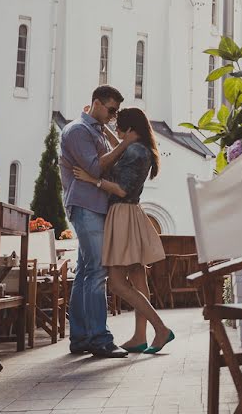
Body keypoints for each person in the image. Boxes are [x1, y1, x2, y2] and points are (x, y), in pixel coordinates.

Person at [72, 107, 174, 354]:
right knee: (138, 278)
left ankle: (160, 329)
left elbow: (121, 189)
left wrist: (91, 179)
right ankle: (140, 336)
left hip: (122, 214)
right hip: (131, 214)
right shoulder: (138, 148)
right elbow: (122, 147)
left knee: (117, 283)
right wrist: (104, 129)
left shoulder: (136, 152)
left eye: (119, 127)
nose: (115, 131)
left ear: (130, 130)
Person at [59, 85, 139, 358]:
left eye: (116, 112)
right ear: (96, 103)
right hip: (85, 205)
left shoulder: (94, 130)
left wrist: (109, 134)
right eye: (111, 110)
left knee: (85, 272)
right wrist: (126, 143)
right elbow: (95, 167)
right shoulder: (77, 131)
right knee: (97, 272)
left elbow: (108, 165)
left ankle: (80, 337)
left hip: (94, 206)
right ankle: (100, 340)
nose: (114, 116)